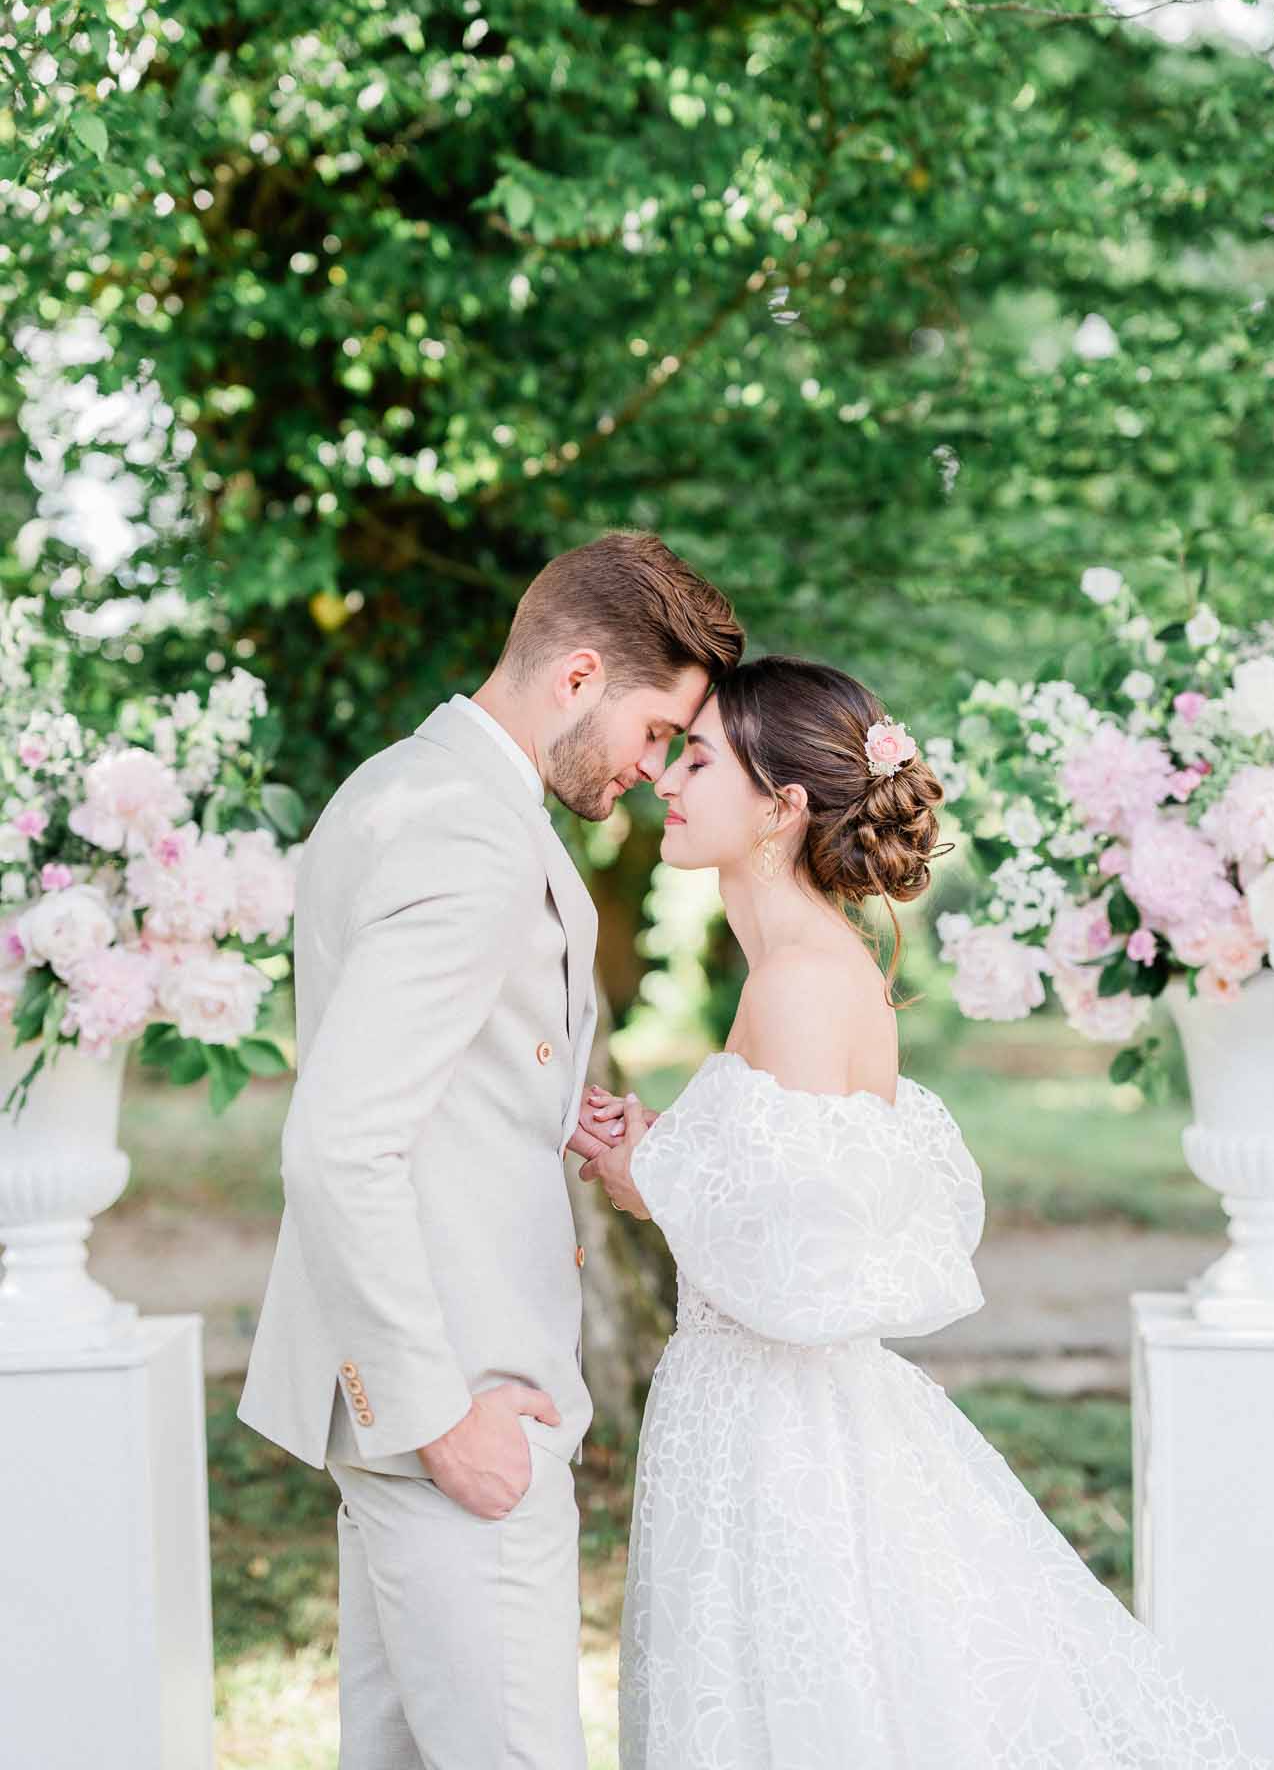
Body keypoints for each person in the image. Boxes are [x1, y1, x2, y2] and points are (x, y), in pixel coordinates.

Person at [582, 655, 1274, 1770]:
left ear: (782, 806)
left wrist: (651, 1181)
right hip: (748, 1412)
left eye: (698, 757)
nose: (667, 775)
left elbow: (803, 1270)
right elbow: (788, 1188)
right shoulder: (796, 968)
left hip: (780, 1430)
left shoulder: (802, 979)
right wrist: (664, 1149)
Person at [237, 530, 743, 1770]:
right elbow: (339, 1142)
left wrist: (545, 1099)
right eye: (655, 730)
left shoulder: (405, 783)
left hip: (422, 1414)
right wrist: (434, 1412)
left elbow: (420, 1064)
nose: (652, 767)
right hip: (463, 1408)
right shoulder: (468, 829)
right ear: (578, 676)